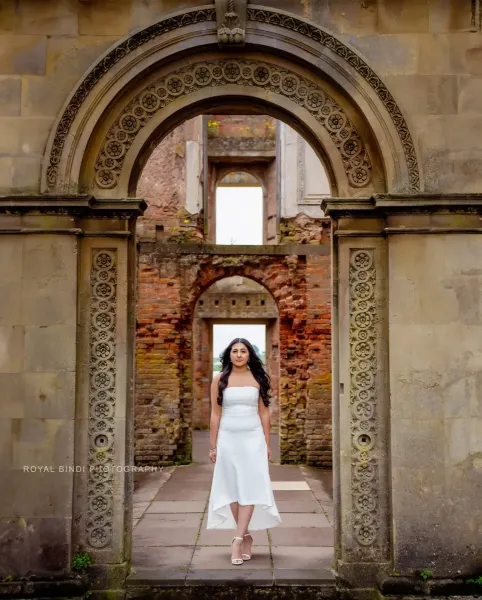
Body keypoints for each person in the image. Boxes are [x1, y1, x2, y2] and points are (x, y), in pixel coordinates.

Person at [206, 337, 281, 565]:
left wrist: (267, 444)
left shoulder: (258, 379)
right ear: (229, 354)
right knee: (231, 488)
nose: (239, 355)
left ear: (250, 355)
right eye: (235, 351)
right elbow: (215, 414)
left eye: (244, 351)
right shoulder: (219, 380)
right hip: (228, 438)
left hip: (252, 439)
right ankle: (246, 534)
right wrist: (213, 445)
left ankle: (237, 540)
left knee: (249, 487)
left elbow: (264, 414)